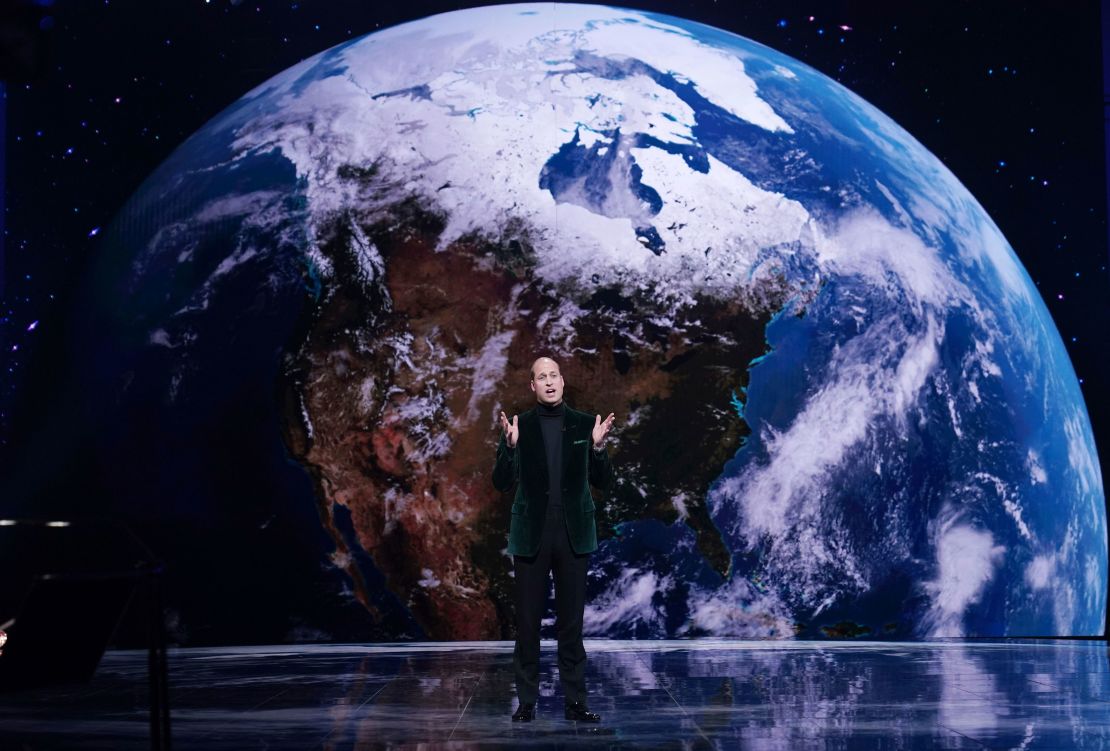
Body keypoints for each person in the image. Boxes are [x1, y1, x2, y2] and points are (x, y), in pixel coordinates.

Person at [493, 356, 615, 723]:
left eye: (553, 376)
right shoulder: (520, 426)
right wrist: (510, 448)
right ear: (532, 386)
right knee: (527, 623)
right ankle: (527, 702)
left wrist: (597, 448)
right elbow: (500, 482)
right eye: (541, 377)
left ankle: (575, 702)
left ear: (562, 382)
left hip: (573, 534)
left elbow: (604, 481)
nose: (548, 382)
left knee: (571, 625)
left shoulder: (583, 423)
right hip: (532, 534)